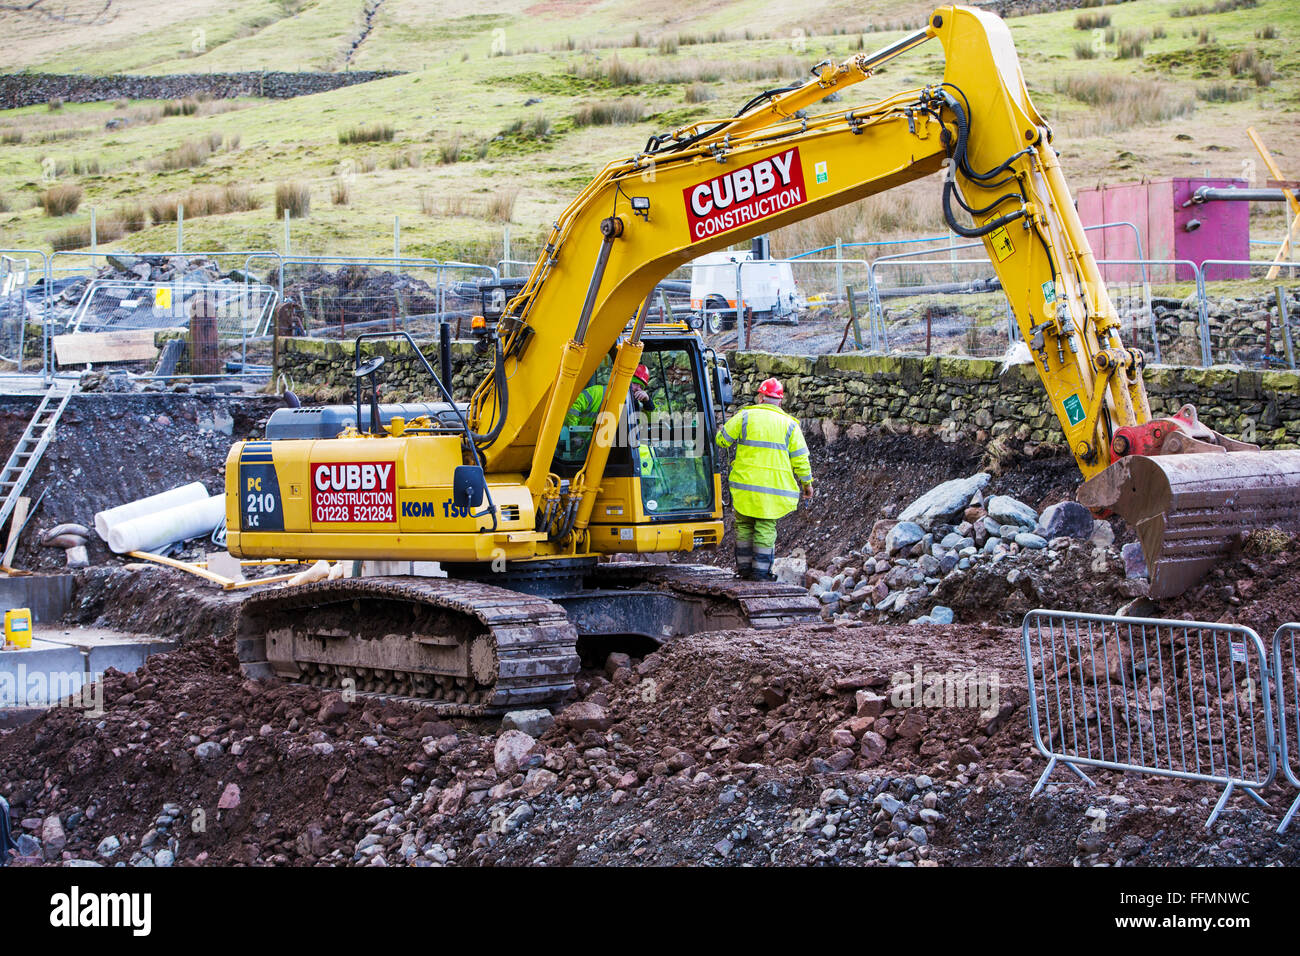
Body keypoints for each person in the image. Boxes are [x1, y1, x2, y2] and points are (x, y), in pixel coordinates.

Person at [715, 377, 813, 581]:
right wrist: (807, 484)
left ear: (760, 397)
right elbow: (801, 460)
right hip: (772, 491)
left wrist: (721, 432)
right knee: (765, 527)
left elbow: (721, 441)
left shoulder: (744, 417)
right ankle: (760, 573)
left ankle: (743, 570)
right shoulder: (790, 426)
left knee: (743, 525)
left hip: (744, 488)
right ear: (780, 400)